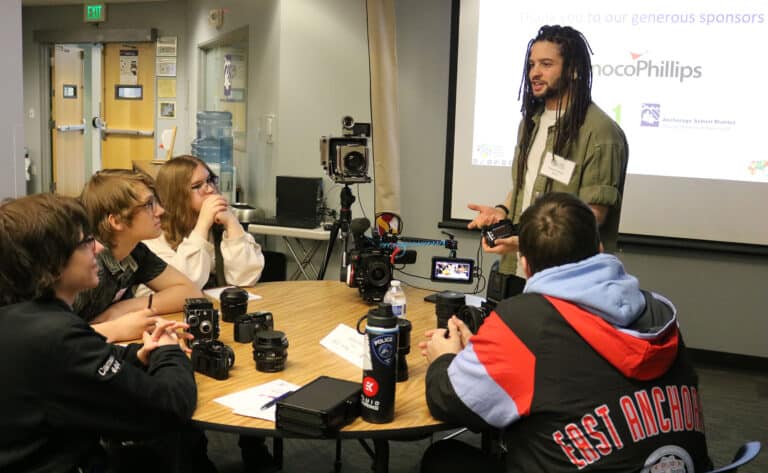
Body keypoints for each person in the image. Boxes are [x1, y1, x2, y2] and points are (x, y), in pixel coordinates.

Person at [420, 192, 711, 473]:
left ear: (524, 264)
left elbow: (449, 401)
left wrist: (443, 358)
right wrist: (491, 355)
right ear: (598, 250)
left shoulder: (524, 321)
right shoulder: (658, 310)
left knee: (442, 459)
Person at [0, 193, 197, 473]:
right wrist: (169, 350)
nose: (97, 249)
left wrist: (140, 355)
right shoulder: (55, 333)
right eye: (85, 242)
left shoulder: (26, 316)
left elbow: (87, 359)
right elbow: (169, 407)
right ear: (52, 261)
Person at [468, 25, 629, 278]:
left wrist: (528, 242)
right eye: (532, 64)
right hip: (520, 268)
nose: (535, 73)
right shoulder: (531, 123)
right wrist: (502, 211)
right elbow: (525, 186)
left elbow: (592, 218)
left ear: (573, 69)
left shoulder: (600, 132)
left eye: (546, 64)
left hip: (569, 279)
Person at [73, 169, 204, 342]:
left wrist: (122, 309)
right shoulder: (87, 267)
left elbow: (191, 292)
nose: (161, 211)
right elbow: (50, 339)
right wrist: (116, 328)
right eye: (149, 204)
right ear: (116, 221)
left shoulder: (135, 252)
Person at [140, 155, 264, 293]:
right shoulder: (155, 236)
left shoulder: (218, 224)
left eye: (210, 180)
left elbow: (245, 279)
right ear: (176, 195)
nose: (210, 189)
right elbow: (184, 286)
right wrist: (202, 225)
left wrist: (232, 223)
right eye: (197, 186)